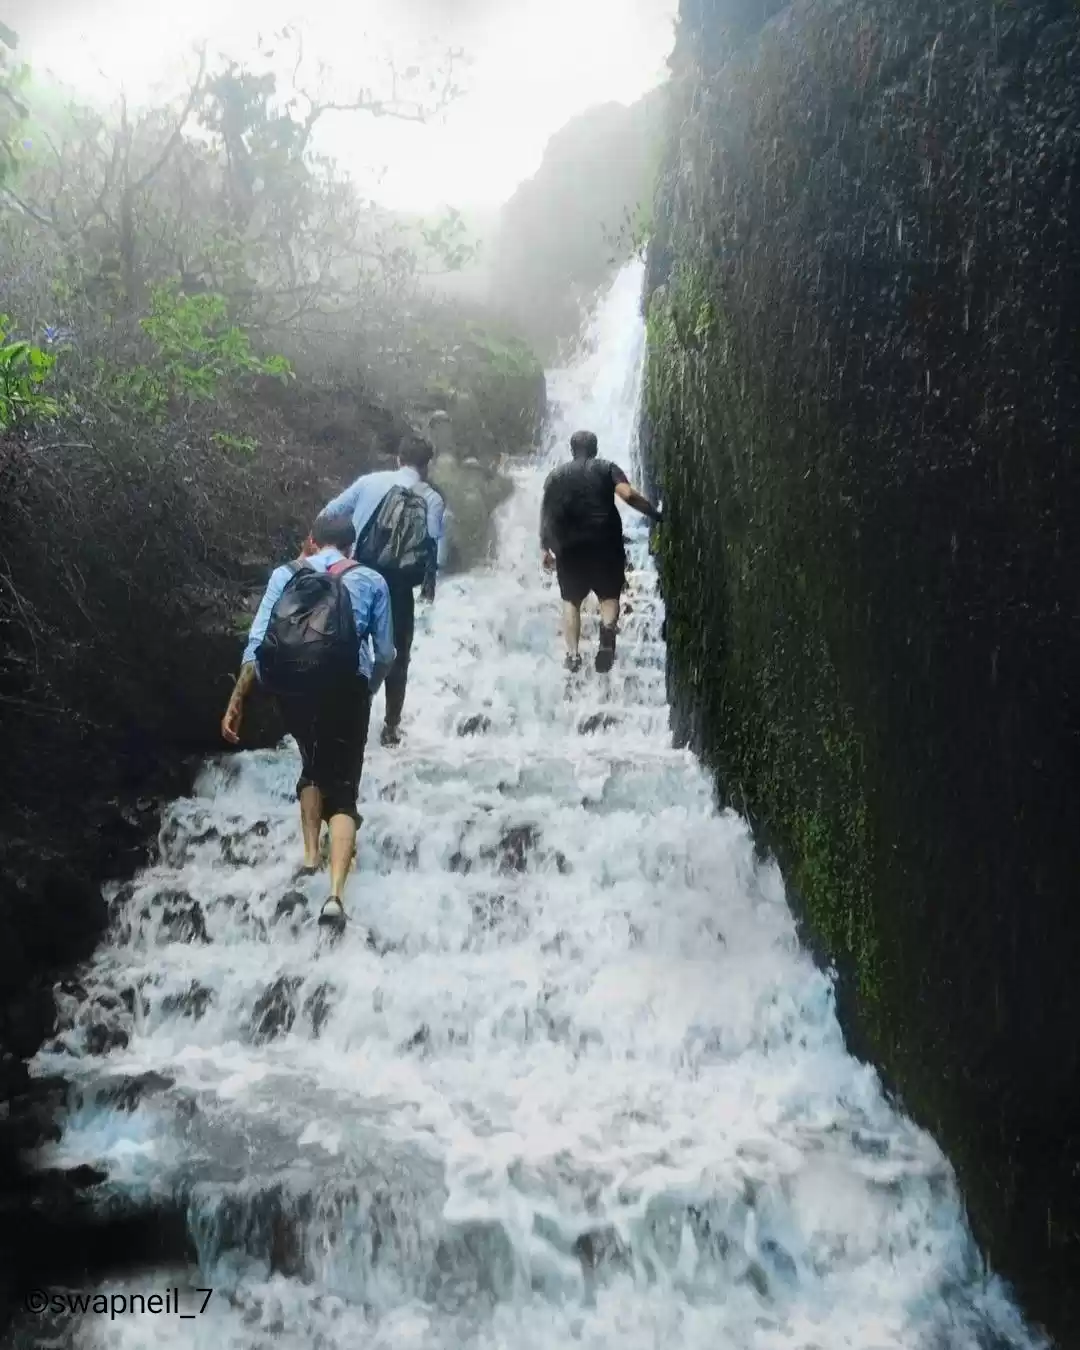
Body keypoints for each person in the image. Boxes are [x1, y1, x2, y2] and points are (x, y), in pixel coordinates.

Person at [220, 514, 395, 932]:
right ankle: (335, 896)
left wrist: (236, 700)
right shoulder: (371, 580)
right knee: (344, 787)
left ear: (313, 542)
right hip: (347, 689)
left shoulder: (286, 574)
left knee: (312, 765)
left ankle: (310, 857)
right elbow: (386, 653)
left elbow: (258, 642)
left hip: (293, 689)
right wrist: (368, 687)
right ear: (352, 547)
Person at [320, 432, 446, 747]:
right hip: (399, 589)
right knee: (397, 655)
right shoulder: (432, 499)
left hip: (357, 579)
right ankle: (391, 728)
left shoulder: (369, 482)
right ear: (426, 466)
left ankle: (339, 719)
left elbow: (328, 515)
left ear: (398, 459)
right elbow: (435, 548)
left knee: (347, 645)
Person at [539, 429, 662, 673]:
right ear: (595, 449)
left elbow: (546, 514)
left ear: (572, 450)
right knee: (609, 595)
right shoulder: (607, 468)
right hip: (605, 541)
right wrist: (654, 513)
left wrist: (545, 548)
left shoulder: (555, 476)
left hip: (569, 546)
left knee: (571, 600)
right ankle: (607, 633)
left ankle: (573, 655)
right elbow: (627, 494)